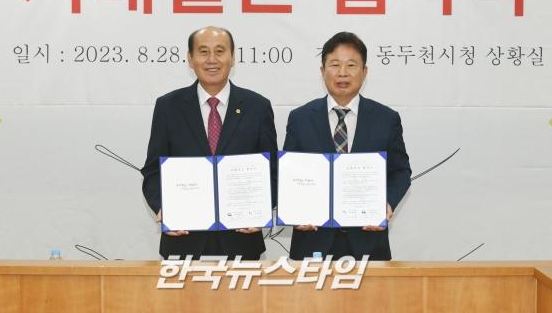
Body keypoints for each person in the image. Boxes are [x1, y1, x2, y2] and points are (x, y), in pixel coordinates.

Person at [141, 26, 278, 260]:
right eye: (203, 52)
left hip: (241, 240)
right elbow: (153, 170)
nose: (212, 60)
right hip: (183, 240)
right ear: (190, 58)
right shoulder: (168, 107)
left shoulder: (258, 107)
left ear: (233, 57)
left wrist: (263, 208)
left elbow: (272, 169)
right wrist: (163, 207)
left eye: (220, 51)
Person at [283, 31, 411, 260]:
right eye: (334, 64)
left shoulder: (386, 118)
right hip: (312, 240)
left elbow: (400, 171)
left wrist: (387, 204)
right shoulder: (300, 118)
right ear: (322, 71)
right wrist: (294, 209)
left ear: (365, 71)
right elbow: (287, 173)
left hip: (368, 240)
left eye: (351, 65)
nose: (342, 72)